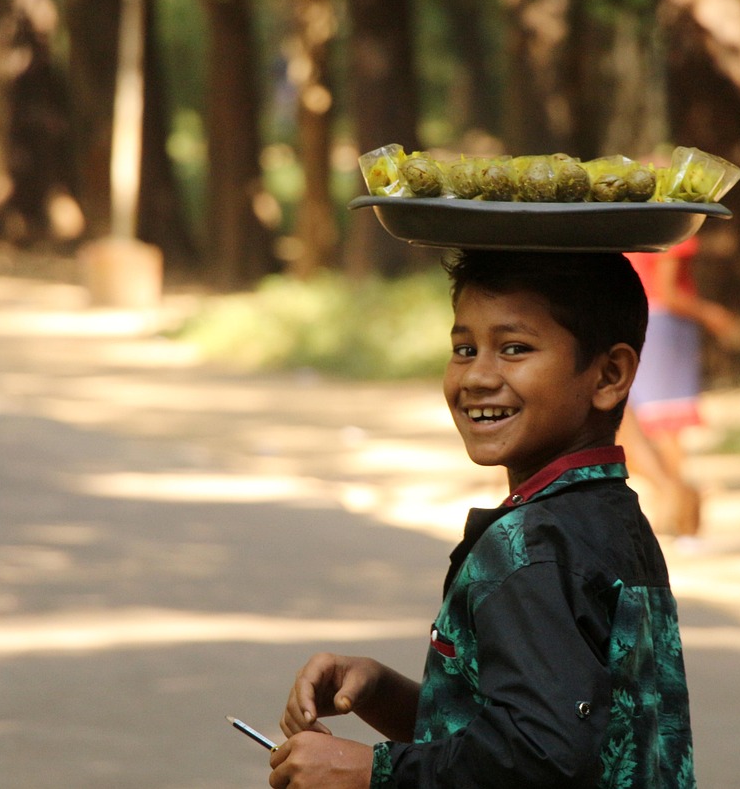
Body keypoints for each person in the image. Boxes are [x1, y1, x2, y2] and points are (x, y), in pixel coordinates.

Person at [269, 250, 697, 788]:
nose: (476, 376)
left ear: (609, 375)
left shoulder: (529, 547)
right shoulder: (610, 513)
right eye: (464, 349)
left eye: (514, 349)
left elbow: (542, 755)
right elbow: (550, 724)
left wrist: (370, 771)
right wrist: (382, 692)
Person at [621, 238, 740, 541]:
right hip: (665, 324)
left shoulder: (630, 227)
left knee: (645, 422)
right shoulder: (674, 228)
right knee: (668, 425)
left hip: (635, 317)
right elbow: (669, 292)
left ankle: (669, 508)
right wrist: (713, 315)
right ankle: (678, 506)